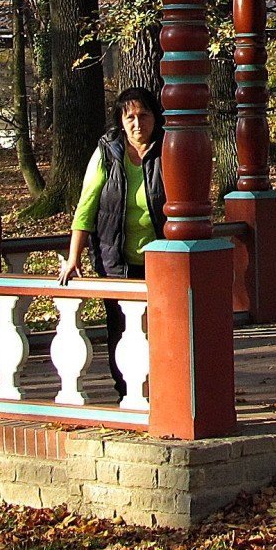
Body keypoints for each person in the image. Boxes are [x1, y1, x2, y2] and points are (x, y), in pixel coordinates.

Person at [57, 87, 163, 399]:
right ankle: (127, 391)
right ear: (120, 120)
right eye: (130, 116)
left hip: (160, 259)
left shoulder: (167, 149)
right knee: (120, 328)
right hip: (115, 258)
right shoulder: (107, 153)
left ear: (155, 117)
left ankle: (158, 391)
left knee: (159, 328)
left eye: (144, 115)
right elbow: (86, 207)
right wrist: (73, 258)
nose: (137, 123)